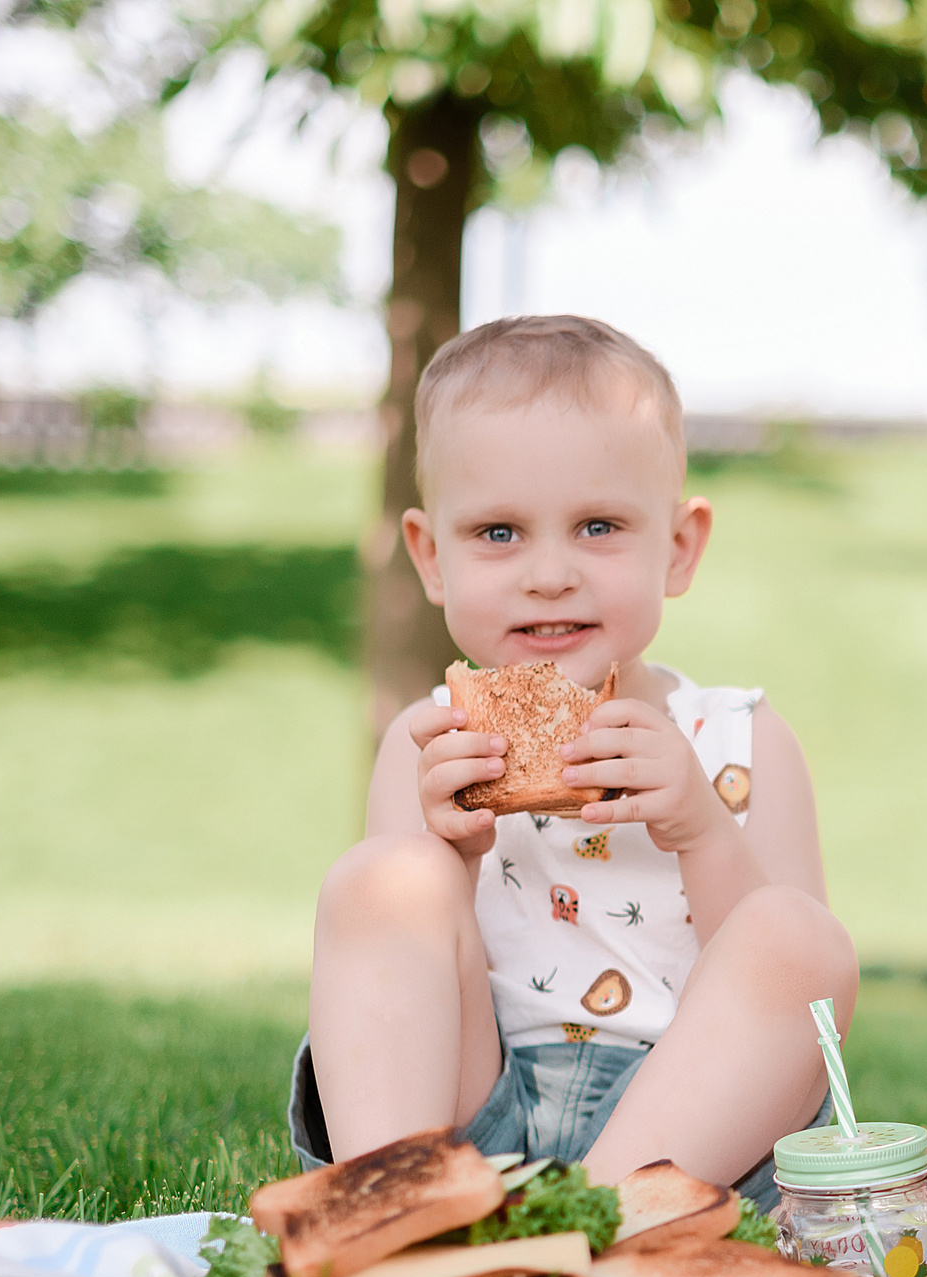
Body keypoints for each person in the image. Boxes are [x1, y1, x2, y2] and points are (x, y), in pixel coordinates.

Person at [295, 315, 852, 1204]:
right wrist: (453, 854)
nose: (549, 573)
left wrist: (701, 829)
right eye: (499, 534)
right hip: (478, 1121)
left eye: (597, 526)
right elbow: (406, 985)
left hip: (691, 1139)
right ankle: (394, 1215)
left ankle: (590, 1230)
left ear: (677, 547)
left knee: (800, 934)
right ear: (431, 558)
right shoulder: (431, 741)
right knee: (379, 879)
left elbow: (807, 1007)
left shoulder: (740, 739)